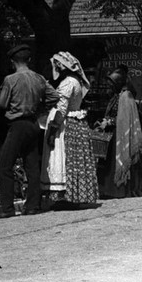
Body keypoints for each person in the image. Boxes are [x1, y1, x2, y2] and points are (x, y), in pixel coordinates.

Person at [0, 44, 57, 218]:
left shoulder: (10, 80)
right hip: (33, 124)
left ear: (13, 62)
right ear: (28, 60)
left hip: (18, 125)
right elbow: (54, 97)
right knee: (32, 166)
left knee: (5, 165)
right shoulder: (39, 78)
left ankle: (7, 209)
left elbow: (3, 103)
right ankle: (32, 206)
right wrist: (40, 107)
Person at [42, 52, 100, 208]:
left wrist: (53, 131)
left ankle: (65, 197)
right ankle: (73, 196)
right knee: (74, 160)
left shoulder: (68, 82)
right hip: (75, 122)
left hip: (67, 125)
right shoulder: (76, 81)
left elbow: (62, 108)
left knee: (65, 158)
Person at [102, 65, 142, 198]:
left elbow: (124, 119)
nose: (110, 87)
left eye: (112, 84)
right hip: (114, 135)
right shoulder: (117, 96)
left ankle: (121, 190)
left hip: (121, 135)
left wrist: (109, 122)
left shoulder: (126, 96)